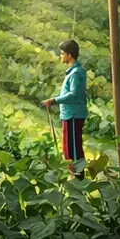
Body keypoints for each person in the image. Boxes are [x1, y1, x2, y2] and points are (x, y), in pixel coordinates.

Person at [42, 39, 87, 178]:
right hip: (70, 114)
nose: (61, 56)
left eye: (62, 54)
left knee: (73, 149)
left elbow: (73, 95)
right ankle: (75, 176)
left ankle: (78, 177)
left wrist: (54, 100)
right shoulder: (74, 72)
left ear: (69, 55)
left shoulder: (75, 74)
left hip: (73, 114)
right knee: (69, 147)